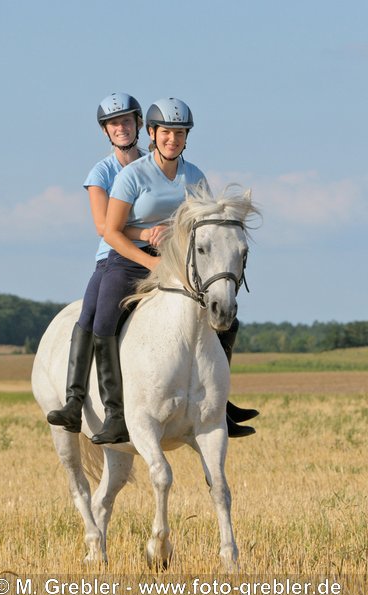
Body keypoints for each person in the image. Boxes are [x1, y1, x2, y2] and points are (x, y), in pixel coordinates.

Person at [90, 97, 258, 445]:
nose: (173, 139)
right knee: (105, 319)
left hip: (179, 261)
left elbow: (205, 225)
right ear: (152, 133)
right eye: (167, 132)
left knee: (225, 316)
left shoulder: (194, 175)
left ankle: (218, 403)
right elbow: (112, 230)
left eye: (180, 133)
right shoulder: (131, 175)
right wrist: (149, 258)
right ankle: (114, 413)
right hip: (133, 257)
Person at [47, 92, 149, 433]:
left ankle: (218, 402)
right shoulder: (101, 171)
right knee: (89, 316)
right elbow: (103, 227)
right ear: (106, 132)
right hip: (113, 257)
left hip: (158, 257)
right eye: (114, 124)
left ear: (139, 124)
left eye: (127, 121)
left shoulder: (154, 164)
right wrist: (147, 235)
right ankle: (75, 401)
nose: (121, 128)